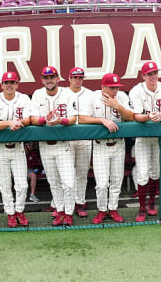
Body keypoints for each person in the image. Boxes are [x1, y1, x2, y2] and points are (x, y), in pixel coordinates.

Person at [78, 73, 134, 224]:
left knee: (116, 181)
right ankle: (102, 210)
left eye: (116, 87)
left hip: (118, 144)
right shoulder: (92, 97)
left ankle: (113, 209)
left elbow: (131, 117)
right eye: (111, 88)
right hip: (100, 145)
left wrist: (118, 107)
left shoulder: (121, 97)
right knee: (102, 183)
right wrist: (101, 120)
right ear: (103, 87)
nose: (114, 91)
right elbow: (82, 117)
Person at [30, 66, 77, 226]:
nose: (49, 80)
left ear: (58, 78)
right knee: (54, 183)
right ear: (42, 80)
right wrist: (44, 119)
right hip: (45, 145)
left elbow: (72, 118)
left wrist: (60, 121)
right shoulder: (37, 94)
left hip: (63, 144)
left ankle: (69, 213)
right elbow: (32, 119)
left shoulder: (67, 94)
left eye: (52, 77)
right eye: (46, 78)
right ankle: (61, 212)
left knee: (69, 183)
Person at [0, 71, 31, 228]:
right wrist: (9, 123)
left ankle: (19, 210)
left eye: (12, 82)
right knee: (4, 185)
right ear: (2, 85)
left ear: (17, 84)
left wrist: (19, 123)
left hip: (17, 147)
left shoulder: (24, 98)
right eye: (7, 82)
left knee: (22, 185)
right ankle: (10, 213)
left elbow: (28, 119)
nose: (9, 85)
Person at [129, 61, 161, 222]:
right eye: (149, 74)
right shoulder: (136, 91)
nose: (153, 76)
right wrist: (148, 117)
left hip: (159, 137)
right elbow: (136, 116)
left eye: (155, 73)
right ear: (143, 75)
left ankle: (152, 203)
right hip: (143, 138)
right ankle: (142, 207)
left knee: (156, 172)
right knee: (143, 173)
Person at [67, 67, 93, 218]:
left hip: (84, 139)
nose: (78, 80)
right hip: (68, 139)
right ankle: (65, 204)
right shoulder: (63, 93)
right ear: (69, 78)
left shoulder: (89, 94)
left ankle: (80, 203)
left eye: (80, 77)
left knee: (82, 173)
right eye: (75, 77)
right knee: (67, 174)